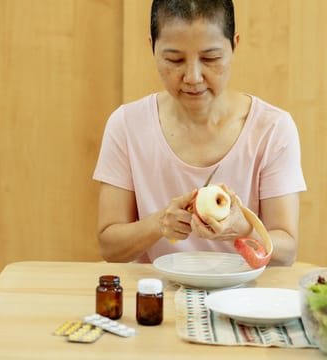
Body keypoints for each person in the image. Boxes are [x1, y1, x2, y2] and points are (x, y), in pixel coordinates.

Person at [93, 0, 306, 266]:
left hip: (242, 300)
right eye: (174, 59)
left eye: (210, 58)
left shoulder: (273, 128)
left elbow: (287, 251)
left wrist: (246, 229)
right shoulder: (126, 125)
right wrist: (159, 224)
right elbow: (109, 247)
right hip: (158, 297)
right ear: (152, 48)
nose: (193, 77)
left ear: (234, 46)